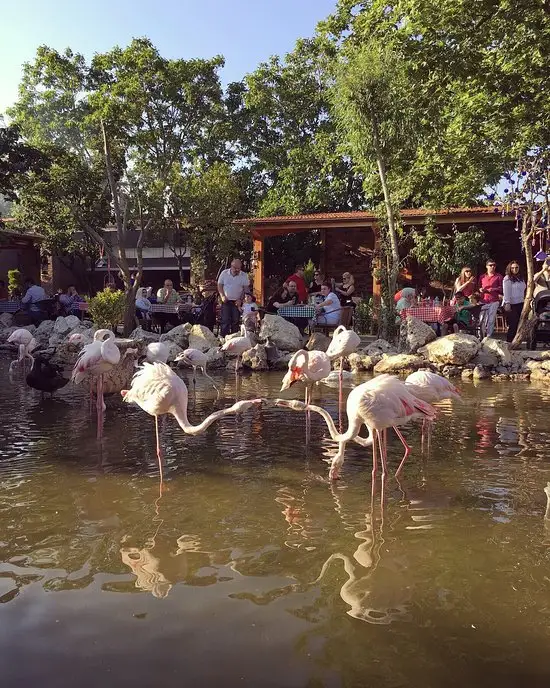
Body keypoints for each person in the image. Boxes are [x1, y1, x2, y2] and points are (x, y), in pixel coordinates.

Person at [217, 258, 250, 336]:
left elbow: (245, 289)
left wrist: (241, 300)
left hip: (237, 302)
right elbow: (219, 285)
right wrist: (222, 296)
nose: (237, 270)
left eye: (239, 268)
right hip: (226, 300)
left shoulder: (244, 275)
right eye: (235, 268)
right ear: (231, 266)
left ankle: (234, 338)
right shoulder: (224, 273)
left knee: (235, 321)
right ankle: (223, 338)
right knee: (225, 320)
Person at [502, 261, 526, 343]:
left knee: (520, 323)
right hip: (511, 304)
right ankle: (509, 342)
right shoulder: (507, 278)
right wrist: (507, 302)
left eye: (516, 267)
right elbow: (506, 291)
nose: (514, 269)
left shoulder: (521, 278)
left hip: (520, 303)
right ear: (509, 268)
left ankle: (516, 342)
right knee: (513, 323)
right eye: (512, 268)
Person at [478, 259, 503, 337]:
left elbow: (502, 288)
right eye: (490, 265)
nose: (492, 267)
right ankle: (480, 336)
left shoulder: (499, 276)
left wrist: (494, 289)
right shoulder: (482, 277)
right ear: (486, 266)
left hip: (494, 300)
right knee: (482, 319)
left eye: (494, 265)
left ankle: (489, 336)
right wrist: (480, 289)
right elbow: (478, 287)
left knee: (491, 320)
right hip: (483, 300)